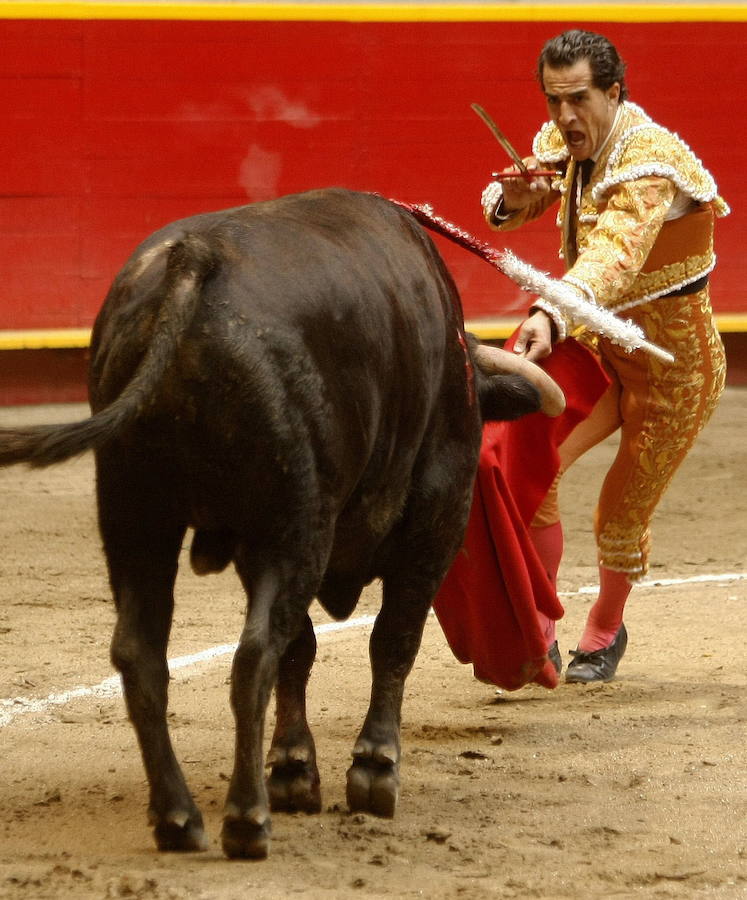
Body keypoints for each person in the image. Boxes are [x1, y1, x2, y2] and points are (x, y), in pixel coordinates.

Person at [480, 29, 728, 683]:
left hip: (673, 368)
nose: (562, 118)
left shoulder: (649, 163)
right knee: (531, 468)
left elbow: (612, 257)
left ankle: (605, 630)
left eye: (578, 100)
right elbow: (510, 204)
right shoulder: (565, 137)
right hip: (598, 348)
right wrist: (518, 194)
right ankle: (538, 631)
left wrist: (548, 309)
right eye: (553, 100)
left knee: (620, 508)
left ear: (612, 93)